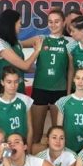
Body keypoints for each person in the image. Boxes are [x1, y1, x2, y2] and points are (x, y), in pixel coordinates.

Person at [25, 8, 67, 146]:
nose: (53, 25)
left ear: (64, 22)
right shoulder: (40, 39)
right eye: (50, 22)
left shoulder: (70, 42)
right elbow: (17, 44)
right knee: (36, 134)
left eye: (57, 21)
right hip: (40, 88)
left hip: (60, 90)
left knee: (58, 133)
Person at [0, 66, 33, 143]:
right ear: (2, 82)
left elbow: (30, 129)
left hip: (22, 146)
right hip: (4, 147)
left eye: (16, 82)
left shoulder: (25, 100)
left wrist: (28, 149)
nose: (13, 85)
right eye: (9, 82)